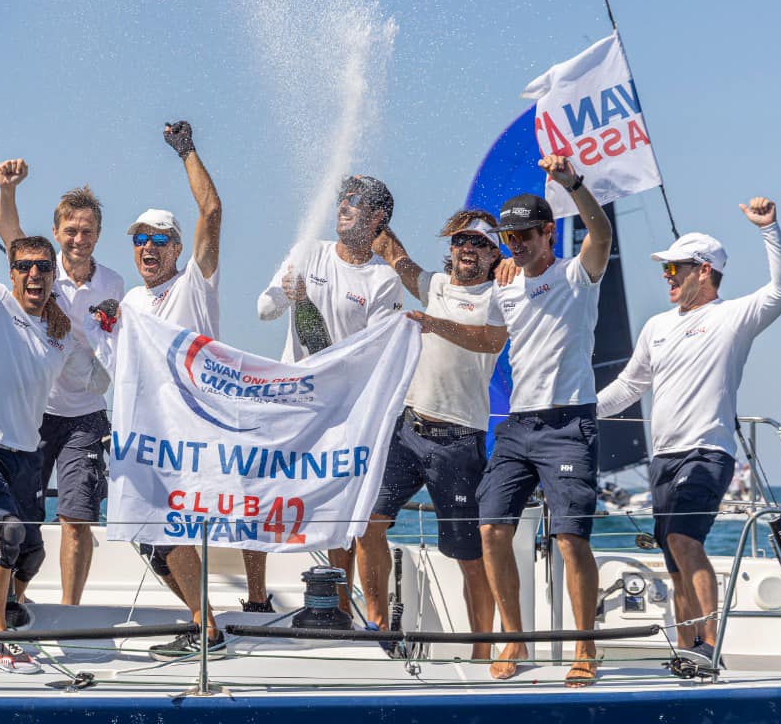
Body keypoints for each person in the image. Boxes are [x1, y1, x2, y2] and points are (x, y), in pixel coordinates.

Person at [597, 197, 781, 661]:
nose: (667, 277)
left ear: (703, 271)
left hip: (707, 451)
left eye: (675, 270)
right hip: (663, 458)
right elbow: (630, 385)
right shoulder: (657, 327)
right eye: (666, 270)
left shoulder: (734, 317)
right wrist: (581, 410)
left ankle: (710, 643)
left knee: (686, 540)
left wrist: (769, 229)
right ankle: (687, 650)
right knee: (672, 555)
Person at [0, 181, 109, 674]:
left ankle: (1, 605)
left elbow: (100, 378)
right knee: (7, 533)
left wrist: (112, 333)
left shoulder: (61, 333)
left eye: (42, 267)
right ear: (11, 273)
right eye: (23, 267)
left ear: (54, 274)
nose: (33, 275)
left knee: (30, 555)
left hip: (25, 455)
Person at [475, 155, 612, 685]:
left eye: (524, 236)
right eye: (509, 239)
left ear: (547, 233)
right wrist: (425, 325)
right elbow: (487, 339)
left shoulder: (577, 274)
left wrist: (572, 183)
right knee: (490, 529)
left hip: (568, 425)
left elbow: (597, 232)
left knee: (570, 538)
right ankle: (514, 639)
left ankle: (585, 649)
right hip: (517, 425)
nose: (515, 246)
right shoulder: (504, 284)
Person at [250, 174, 406, 615]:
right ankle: (278, 602)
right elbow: (263, 311)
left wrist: (308, 307)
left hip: (347, 413)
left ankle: (357, 616)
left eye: (355, 201)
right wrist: (286, 292)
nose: (343, 205)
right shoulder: (308, 252)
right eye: (341, 198)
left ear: (377, 218)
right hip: (294, 406)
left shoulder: (383, 280)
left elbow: (370, 358)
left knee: (352, 517)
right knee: (270, 496)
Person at [362, 210, 507, 659]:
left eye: (480, 244)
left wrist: (434, 323)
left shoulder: (500, 295)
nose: (469, 249)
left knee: (468, 555)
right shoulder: (435, 285)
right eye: (462, 241)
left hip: (459, 442)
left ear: (493, 254)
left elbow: (490, 341)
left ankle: (481, 651)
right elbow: (393, 253)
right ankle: (378, 629)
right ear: (452, 249)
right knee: (366, 524)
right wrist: (370, 207)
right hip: (407, 430)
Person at [117, 120, 227, 658]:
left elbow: (212, 212)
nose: (148, 247)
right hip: (145, 439)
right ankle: (200, 621)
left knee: (174, 529)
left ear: (178, 247)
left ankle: (208, 630)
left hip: (192, 434)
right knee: (148, 536)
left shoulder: (194, 283)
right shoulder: (131, 303)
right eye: (139, 239)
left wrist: (187, 151)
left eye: (160, 239)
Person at [0, 160, 123, 604]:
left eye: (87, 231)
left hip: (86, 415)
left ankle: (70, 610)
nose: (78, 239)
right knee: (22, 512)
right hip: (35, 412)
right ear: (56, 230)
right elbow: (10, 234)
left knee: (77, 517)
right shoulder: (40, 270)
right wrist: (8, 189)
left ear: (98, 235)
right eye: (70, 230)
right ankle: (14, 595)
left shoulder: (115, 283)